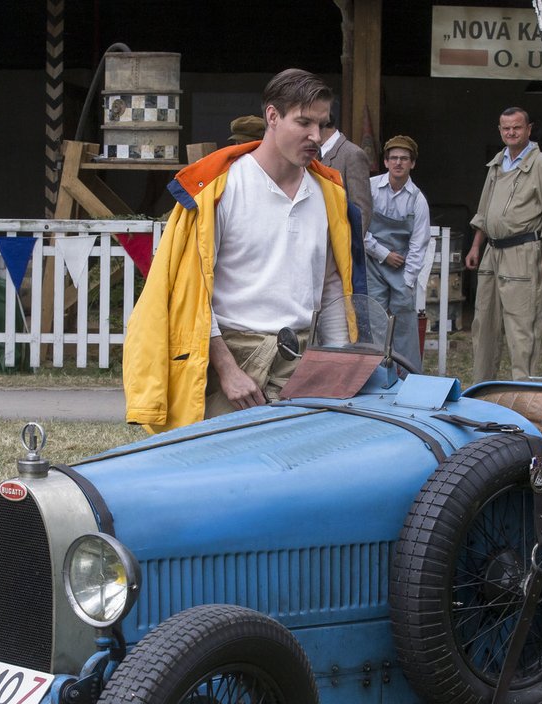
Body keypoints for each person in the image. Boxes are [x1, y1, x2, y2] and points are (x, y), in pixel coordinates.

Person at [123, 68, 365, 433]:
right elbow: (193, 295)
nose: (316, 136)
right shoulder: (218, 190)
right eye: (304, 123)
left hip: (303, 359)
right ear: (272, 116)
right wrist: (227, 370)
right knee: (219, 474)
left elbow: (333, 289)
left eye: (323, 124)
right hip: (232, 358)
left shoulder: (330, 194)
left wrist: (337, 365)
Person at [465, 106, 542, 383]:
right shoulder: (497, 163)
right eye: (506, 128)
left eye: (516, 127)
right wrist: (476, 246)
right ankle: (482, 388)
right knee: (484, 324)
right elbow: (484, 211)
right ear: (500, 130)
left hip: (523, 252)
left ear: (528, 129)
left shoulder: (540, 163)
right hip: (492, 252)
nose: (511, 132)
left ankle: (523, 391)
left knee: (521, 326)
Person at [363, 135, 430, 371]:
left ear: (412, 164)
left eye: (404, 158)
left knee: (404, 323)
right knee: (376, 320)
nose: (398, 163)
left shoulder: (417, 199)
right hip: (373, 263)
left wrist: (408, 280)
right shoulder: (370, 188)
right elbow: (360, 228)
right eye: (394, 158)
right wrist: (383, 253)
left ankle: (408, 376)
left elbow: (419, 243)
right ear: (386, 161)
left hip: (402, 268)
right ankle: (377, 374)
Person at [318, 117, 373, 235]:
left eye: (308, 123)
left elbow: (361, 211)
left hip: (339, 245)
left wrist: (348, 247)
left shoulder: (353, 154)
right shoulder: (313, 153)